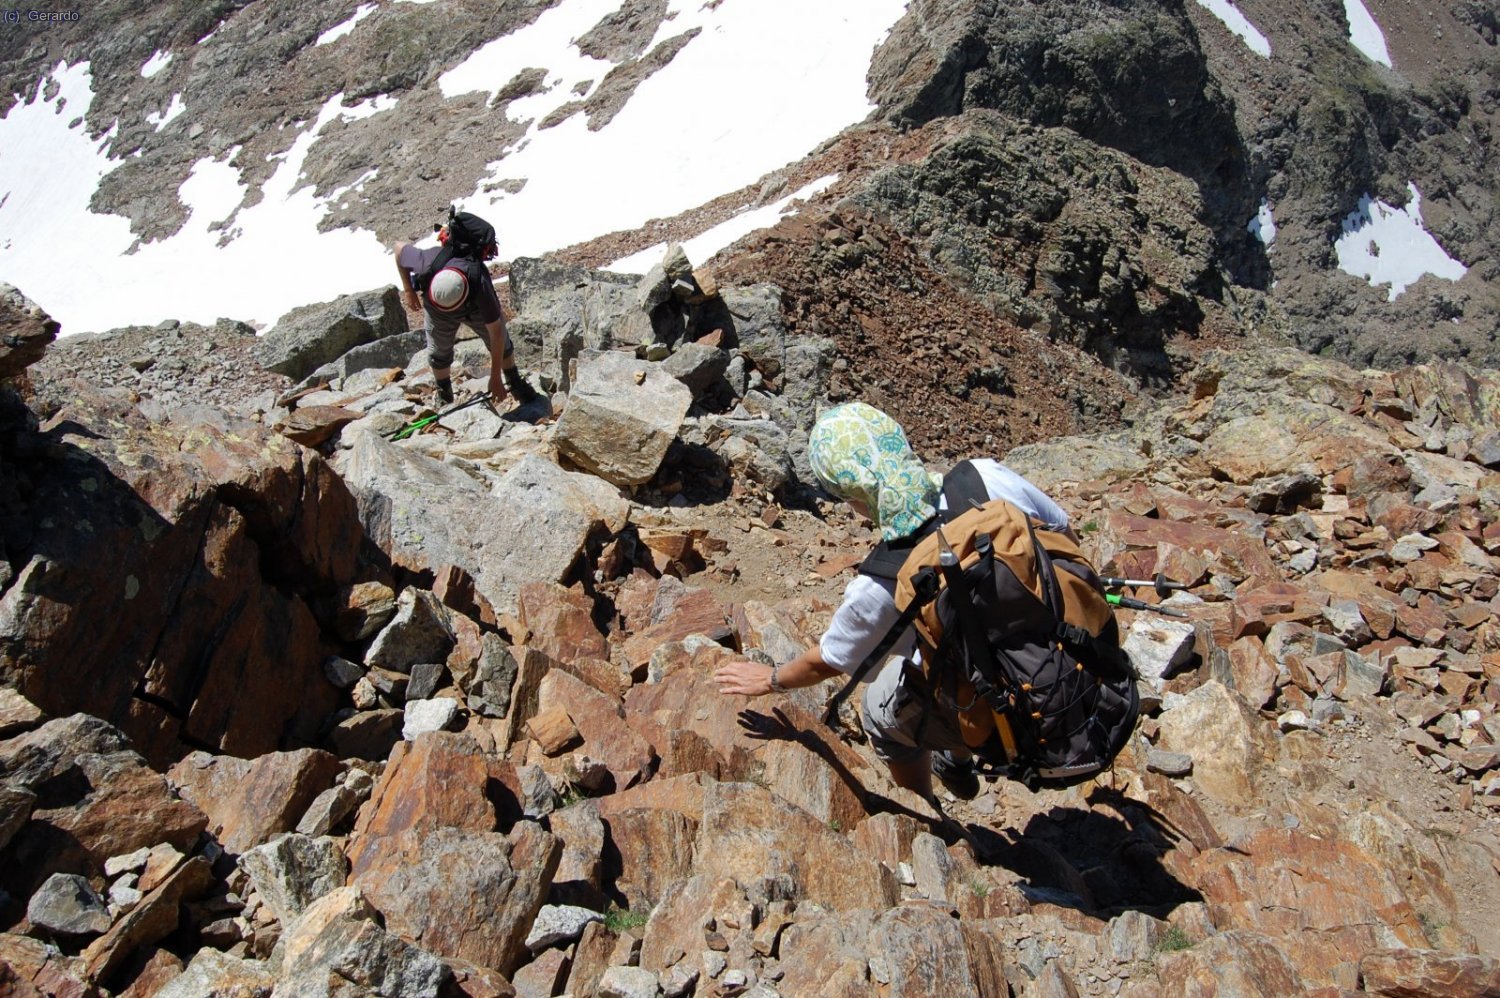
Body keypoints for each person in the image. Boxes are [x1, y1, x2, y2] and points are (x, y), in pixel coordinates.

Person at [712, 401, 1075, 804]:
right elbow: (1061, 531)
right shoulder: (985, 475)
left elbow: (829, 660)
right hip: (1074, 653)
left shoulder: (884, 581)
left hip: (1011, 710)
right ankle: (955, 761)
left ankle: (926, 809)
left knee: (880, 708)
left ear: (853, 496)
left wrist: (769, 680)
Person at [393, 214, 539, 407]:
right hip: (436, 310)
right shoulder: (427, 261)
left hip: (473, 307)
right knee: (438, 350)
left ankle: (513, 380)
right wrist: (408, 290)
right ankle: (445, 393)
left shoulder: (478, 281)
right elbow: (398, 249)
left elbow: (496, 333)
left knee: (503, 341)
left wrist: (495, 378)